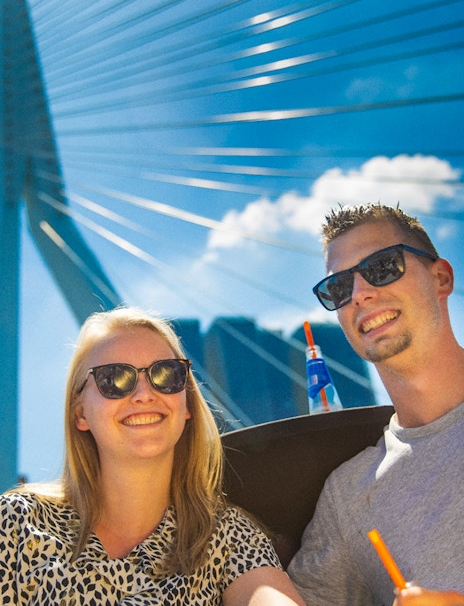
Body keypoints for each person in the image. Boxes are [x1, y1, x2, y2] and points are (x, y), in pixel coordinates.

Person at [0, 306, 305, 605]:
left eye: (166, 374)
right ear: (80, 413)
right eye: (114, 378)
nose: (145, 394)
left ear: (186, 404)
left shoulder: (227, 538)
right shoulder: (17, 522)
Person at [287, 203, 464, 606]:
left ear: (440, 277)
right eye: (339, 287)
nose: (360, 294)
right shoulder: (347, 496)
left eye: (383, 267)